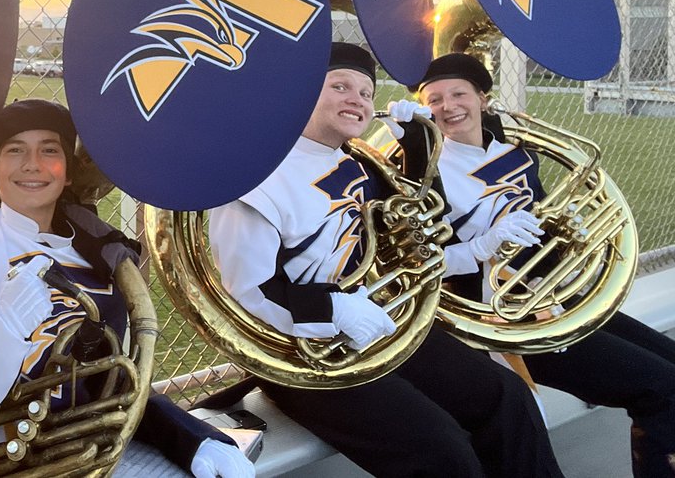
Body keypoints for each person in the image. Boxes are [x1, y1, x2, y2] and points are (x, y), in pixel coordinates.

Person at [210, 43, 564, 478]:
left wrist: (419, 149)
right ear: (300, 94)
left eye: (365, 92)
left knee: (506, 396)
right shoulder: (257, 178)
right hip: (303, 356)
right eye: (340, 86)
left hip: (378, 326)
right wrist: (333, 307)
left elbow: (412, 230)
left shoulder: (360, 164)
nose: (357, 99)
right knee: (440, 449)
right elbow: (248, 292)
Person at [396, 51, 675, 478]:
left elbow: (542, 228)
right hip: (507, 323)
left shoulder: (517, 155)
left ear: (483, 99)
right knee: (661, 388)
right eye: (433, 99)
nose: (447, 106)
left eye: (458, 93)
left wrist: (567, 233)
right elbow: (422, 262)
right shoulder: (422, 172)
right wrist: (484, 241)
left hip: (555, 297)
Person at [0, 98, 254, 478]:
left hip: (83, 454)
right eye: (15, 150)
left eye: (49, 150)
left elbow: (111, 383)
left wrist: (191, 437)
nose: (32, 163)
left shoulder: (97, 259)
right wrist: (4, 327)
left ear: (67, 172)